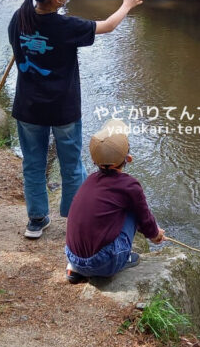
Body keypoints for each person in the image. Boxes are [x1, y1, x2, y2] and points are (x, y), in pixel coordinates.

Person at [8, 0, 146, 239]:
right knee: (71, 166)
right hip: (63, 110)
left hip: (29, 108)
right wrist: (127, 5)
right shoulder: (65, 26)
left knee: (32, 164)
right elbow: (106, 26)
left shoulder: (19, 18)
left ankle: (36, 220)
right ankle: (75, 218)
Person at [64, 119, 165, 283]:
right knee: (133, 209)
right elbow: (145, 219)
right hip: (103, 263)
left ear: (94, 161)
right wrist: (155, 234)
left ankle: (75, 270)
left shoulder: (89, 180)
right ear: (128, 158)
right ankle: (122, 259)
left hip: (72, 255)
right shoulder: (130, 186)